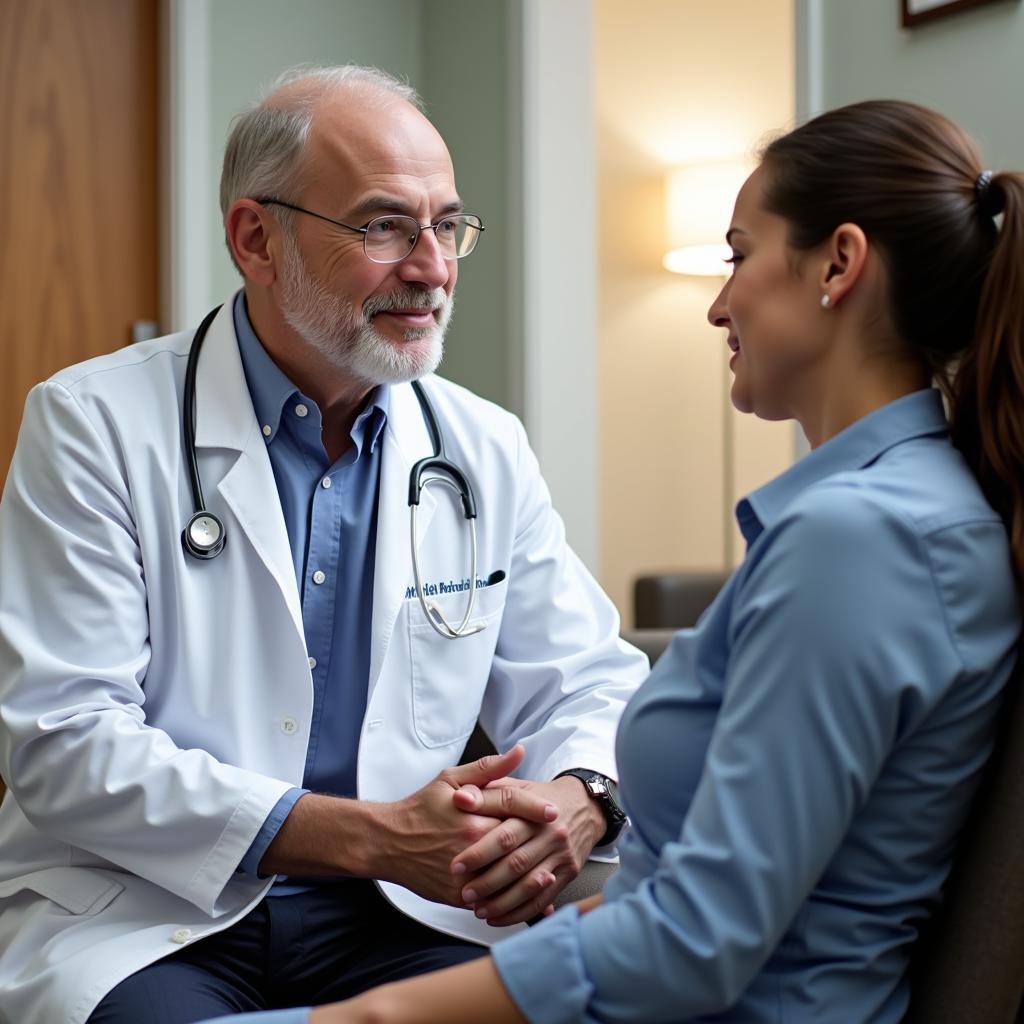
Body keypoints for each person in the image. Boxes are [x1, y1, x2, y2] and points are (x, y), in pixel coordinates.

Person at [203, 98, 1024, 1024]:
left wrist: (365, 1019)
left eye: (739, 254)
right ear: (256, 241)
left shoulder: (862, 543)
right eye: (388, 226)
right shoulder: (901, 514)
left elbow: (694, 940)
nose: (718, 302)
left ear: (838, 264)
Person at [0, 66, 648, 1024]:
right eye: (385, 225)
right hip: (150, 910)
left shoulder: (482, 445)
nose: (431, 266)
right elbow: (63, 739)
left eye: (448, 225)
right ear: (257, 238)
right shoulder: (94, 422)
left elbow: (590, 679)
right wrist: (372, 837)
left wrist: (581, 792)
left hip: (404, 914)